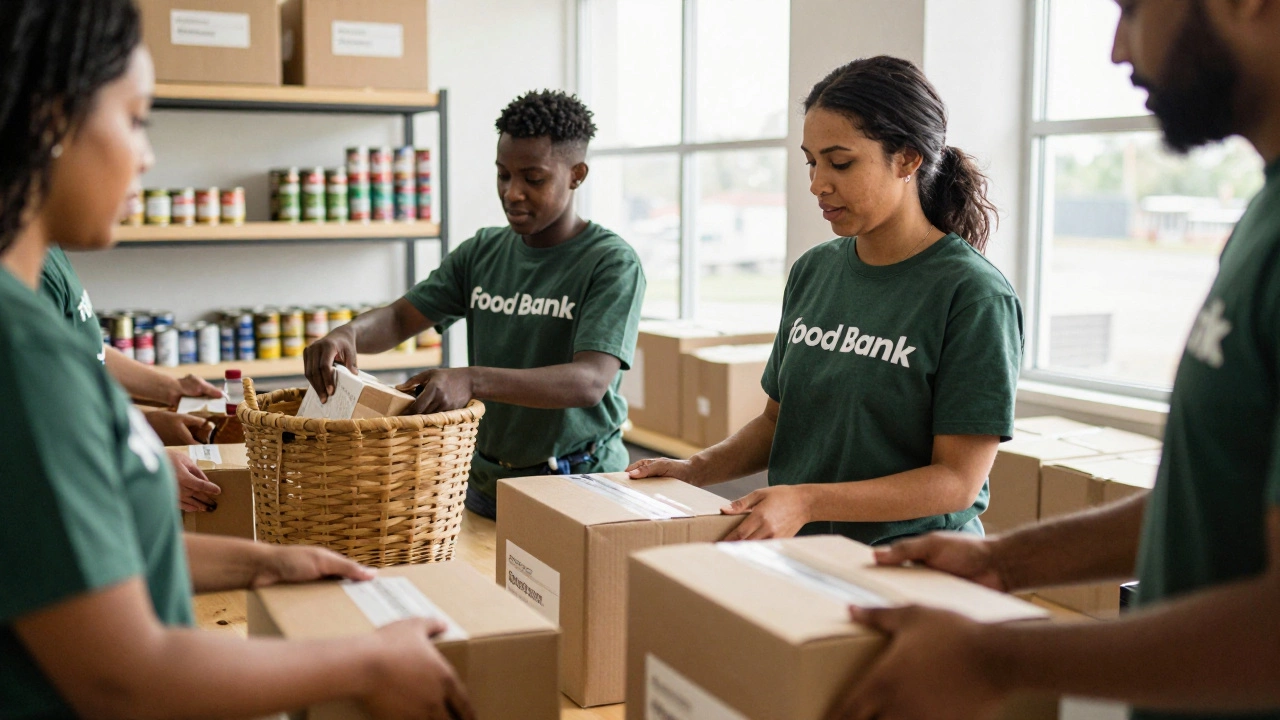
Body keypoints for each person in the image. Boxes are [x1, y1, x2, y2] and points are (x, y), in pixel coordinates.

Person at [0, 3, 474, 719]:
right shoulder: (25, 355)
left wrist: (265, 561)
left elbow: (85, 571)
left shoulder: (36, 327)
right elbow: (125, 675)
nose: (148, 155)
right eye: (134, 119)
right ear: (48, 121)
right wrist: (369, 663)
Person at [823, 2, 1280, 720]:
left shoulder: (968, 292)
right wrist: (1004, 561)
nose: (1116, 50)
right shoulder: (1264, 217)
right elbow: (1216, 504)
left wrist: (995, 657)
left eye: (1132, 9)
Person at [628, 56, 1022, 546]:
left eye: (840, 162)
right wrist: (695, 469)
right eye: (811, 162)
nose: (817, 183)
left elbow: (957, 482)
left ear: (907, 158)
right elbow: (777, 422)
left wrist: (808, 499)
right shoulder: (813, 271)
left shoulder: (973, 295)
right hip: (800, 549)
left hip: (912, 561)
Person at [305, 90, 645, 520]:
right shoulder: (483, 251)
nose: (512, 192)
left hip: (580, 483)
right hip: (485, 483)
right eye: (503, 175)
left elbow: (589, 382)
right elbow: (397, 317)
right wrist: (347, 333)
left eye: (533, 179)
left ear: (576, 174)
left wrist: (471, 380)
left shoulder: (611, 263)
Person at [42, 244, 226, 513]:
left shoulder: (49, 253)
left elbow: (83, 350)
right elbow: (36, 419)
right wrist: (137, 460)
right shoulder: (23, 271)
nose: (131, 201)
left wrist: (170, 392)